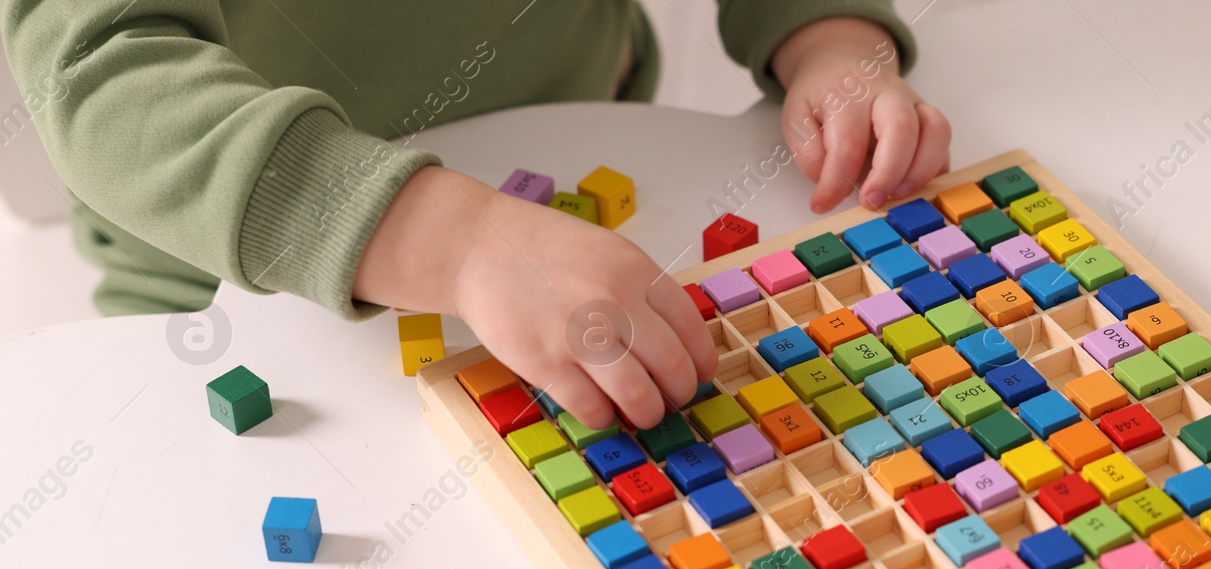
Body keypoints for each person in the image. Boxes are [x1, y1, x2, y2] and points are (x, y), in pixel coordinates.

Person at [3, 2, 952, 429]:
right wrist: (458, 241)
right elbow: (106, 78)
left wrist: (826, 36)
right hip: (230, 277)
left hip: (597, 173)